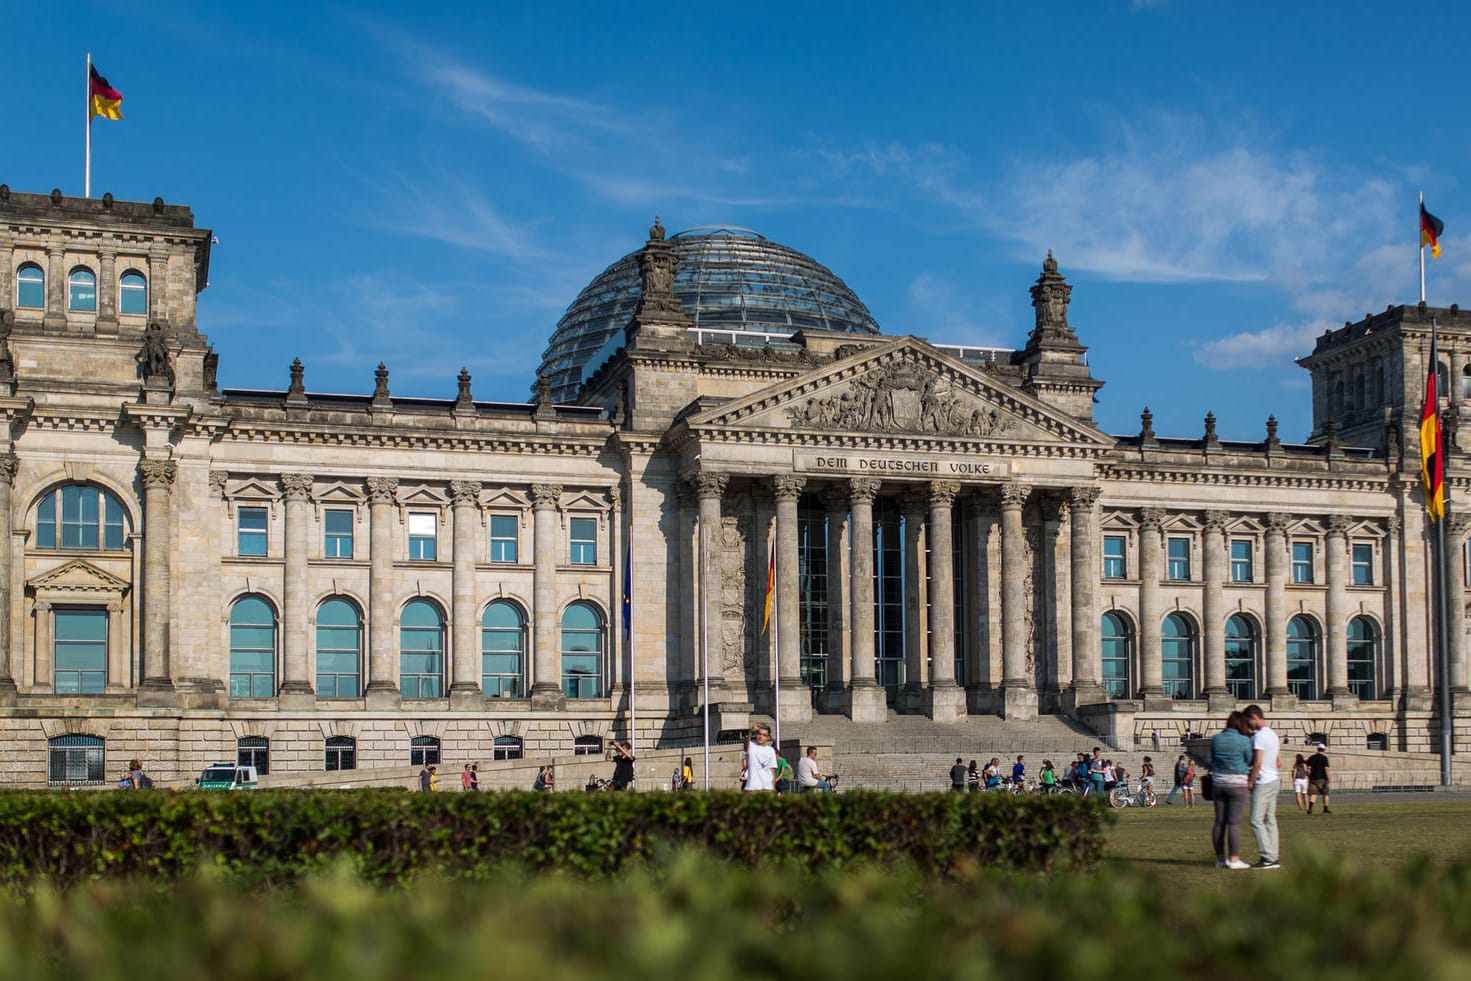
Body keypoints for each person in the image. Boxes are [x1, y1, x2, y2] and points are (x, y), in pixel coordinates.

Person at [1209, 711, 1255, 869]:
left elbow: (1213, 758)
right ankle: (1234, 859)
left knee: (1219, 823)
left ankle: (1220, 859)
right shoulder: (1243, 740)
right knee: (1234, 823)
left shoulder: (1216, 739)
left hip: (1219, 782)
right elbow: (1249, 759)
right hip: (1237, 783)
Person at [1245, 704, 1282, 870]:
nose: (1249, 725)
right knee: (1270, 820)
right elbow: (1278, 761)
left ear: (1254, 717)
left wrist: (1251, 780)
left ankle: (1268, 857)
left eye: (1249, 721)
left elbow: (1258, 763)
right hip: (1274, 779)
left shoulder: (1259, 736)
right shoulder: (1273, 735)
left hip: (1264, 781)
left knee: (1255, 820)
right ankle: (1273, 856)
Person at [744, 725, 778, 791]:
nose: (761, 737)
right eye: (759, 734)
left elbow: (772, 771)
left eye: (764, 735)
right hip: (752, 787)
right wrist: (750, 732)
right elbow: (746, 747)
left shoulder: (771, 750)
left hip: (767, 788)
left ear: (768, 737)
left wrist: (773, 788)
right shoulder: (751, 745)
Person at [1306, 744, 1332, 814]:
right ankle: (1325, 808)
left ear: (1317, 749)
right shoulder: (1324, 758)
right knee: (1326, 794)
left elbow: (1307, 766)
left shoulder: (1311, 757)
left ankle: (1310, 808)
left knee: (1314, 794)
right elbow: (1326, 768)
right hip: (1322, 778)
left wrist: (1309, 773)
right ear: (1324, 750)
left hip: (1313, 778)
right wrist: (1328, 778)